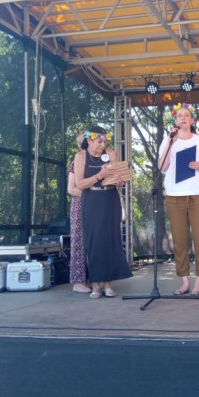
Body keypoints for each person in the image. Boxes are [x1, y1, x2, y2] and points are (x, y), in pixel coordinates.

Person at [158, 103, 199, 296]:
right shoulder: (169, 140)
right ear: (175, 120)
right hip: (174, 195)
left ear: (192, 120)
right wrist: (171, 142)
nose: (182, 118)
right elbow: (162, 167)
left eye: (186, 115)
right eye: (179, 115)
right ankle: (184, 282)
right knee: (179, 240)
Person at [73, 125, 133, 298]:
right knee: (94, 242)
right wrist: (99, 175)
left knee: (109, 240)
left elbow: (118, 179)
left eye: (104, 141)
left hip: (110, 199)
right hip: (91, 200)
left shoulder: (111, 153)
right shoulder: (80, 156)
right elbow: (79, 184)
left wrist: (120, 180)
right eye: (99, 141)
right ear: (89, 140)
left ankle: (107, 284)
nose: (102, 145)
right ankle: (95, 285)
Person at [67, 133, 91, 293]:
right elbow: (71, 189)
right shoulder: (75, 162)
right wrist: (91, 194)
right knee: (79, 242)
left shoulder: (97, 162)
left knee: (93, 243)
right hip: (79, 207)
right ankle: (78, 282)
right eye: (83, 143)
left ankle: (95, 279)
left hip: (95, 207)